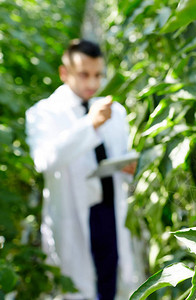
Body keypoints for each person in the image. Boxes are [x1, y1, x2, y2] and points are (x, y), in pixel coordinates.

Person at [26, 39, 141, 300]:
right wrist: (89, 125)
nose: (92, 84)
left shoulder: (116, 112)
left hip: (110, 212)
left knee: (111, 277)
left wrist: (129, 166)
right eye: (84, 74)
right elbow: (44, 160)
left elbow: (120, 156)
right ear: (64, 73)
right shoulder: (43, 113)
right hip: (73, 214)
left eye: (98, 75)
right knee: (79, 288)